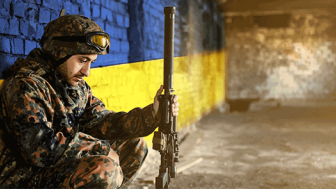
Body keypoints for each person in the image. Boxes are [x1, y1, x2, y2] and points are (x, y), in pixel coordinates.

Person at [0, 14, 179, 188]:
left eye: (91, 62)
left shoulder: (74, 87)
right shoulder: (26, 85)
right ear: (58, 52)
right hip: (24, 177)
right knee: (104, 169)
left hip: (52, 170)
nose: (87, 71)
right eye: (82, 60)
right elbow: (40, 147)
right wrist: (100, 149)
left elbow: (102, 121)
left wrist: (153, 113)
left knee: (135, 145)